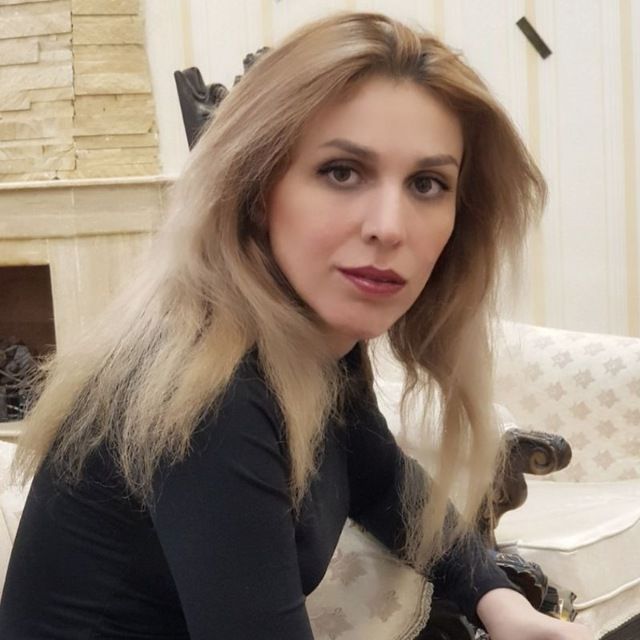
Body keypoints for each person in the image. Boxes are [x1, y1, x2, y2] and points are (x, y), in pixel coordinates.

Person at [0, 11, 591, 640]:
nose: (389, 227)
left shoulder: (313, 347)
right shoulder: (212, 390)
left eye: (427, 183)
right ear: (257, 191)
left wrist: (504, 605)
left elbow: (386, 484)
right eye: (342, 172)